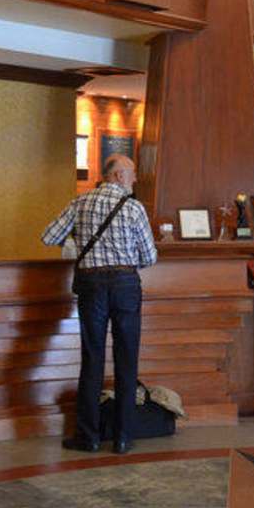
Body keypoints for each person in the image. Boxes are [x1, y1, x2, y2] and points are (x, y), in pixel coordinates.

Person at [41, 153, 157, 455]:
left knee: (92, 358)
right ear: (118, 175)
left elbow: (48, 236)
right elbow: (149, 256)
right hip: (125, 285)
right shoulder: (134, 208)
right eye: (132, 173)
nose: (135, 179)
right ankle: (123, 438)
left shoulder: (81, 202)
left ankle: (89, 437)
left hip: (91, 285)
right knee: (126, 359)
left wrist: (77, 242)